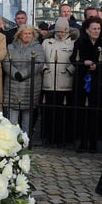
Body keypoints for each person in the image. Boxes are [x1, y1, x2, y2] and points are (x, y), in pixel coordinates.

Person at [70, 16, 102, 152]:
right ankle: (82, 142)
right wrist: (84, 63)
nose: (97, 31)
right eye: (94, 28)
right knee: (82, 113)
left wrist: (97, 66)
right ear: (87, 30)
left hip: (98, 82)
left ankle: (93, 144)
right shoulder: (80, 42)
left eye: (98, 28)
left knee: (95, 114)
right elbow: (73, 59)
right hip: (82, 81)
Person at [1, 25, 45, 134]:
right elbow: (6, 62)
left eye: (30, 33)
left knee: (27, 115)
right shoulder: (11, 47)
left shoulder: (38, 47)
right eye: (25, 33)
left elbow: (39, 63)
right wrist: (15, 73)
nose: (27, 35)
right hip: (13, 83)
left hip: (30, 84)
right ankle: (12, 140)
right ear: (19, 35)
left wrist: (23, 73)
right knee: (12, 118)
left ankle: (26, 141)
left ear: (33, 35)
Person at [41, 17, 77, 146]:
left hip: (65, 82)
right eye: (58, 31)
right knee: (50, 112)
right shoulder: (47, 42)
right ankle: (49, 137)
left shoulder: (72, 44)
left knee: (63, 113)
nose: (60, 34)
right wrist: (44, 68)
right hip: (49, 82)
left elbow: (76, 61)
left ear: (67, 31)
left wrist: (70, 70)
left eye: (62, 31)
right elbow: (40, 58)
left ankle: (62, 138)